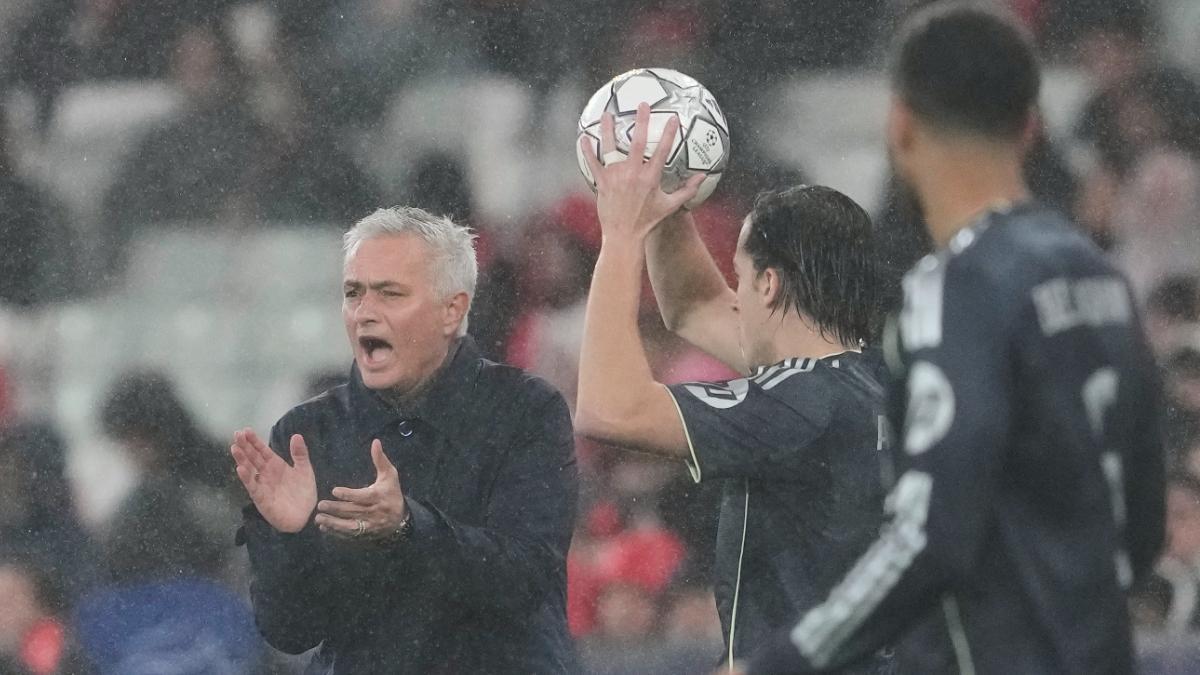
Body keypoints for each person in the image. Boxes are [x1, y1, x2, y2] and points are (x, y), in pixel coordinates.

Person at [745, 4, 1165, 673]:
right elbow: (1141, 531)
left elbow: (931, 535)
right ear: (1030, 127)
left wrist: (785, 659)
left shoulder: (955, 289)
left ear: (901, 125)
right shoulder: (1101, 280)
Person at [574, 105, 893, 671]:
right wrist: (666, 194)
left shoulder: (799, 404)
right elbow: (694, 305)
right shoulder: (865, 381)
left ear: (768, 285)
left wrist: (620, 235)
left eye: (740, 277)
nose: (733, 294)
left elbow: (609, 409)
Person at [229, 207, 578, 673]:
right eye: (354, 293)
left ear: (452, 311)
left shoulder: (527, 410)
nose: (365, 313)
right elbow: (291, 632)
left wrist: (410, 527)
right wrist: (288, 540)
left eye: (390, 294)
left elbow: (525, 579)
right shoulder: (305, 433)